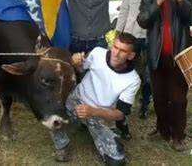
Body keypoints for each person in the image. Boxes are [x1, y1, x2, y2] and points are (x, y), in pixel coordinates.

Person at [50, 32, 140, 165]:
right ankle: (62, 145)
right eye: (115, 47)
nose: (116, 53)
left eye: (122, 51)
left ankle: (91, 126)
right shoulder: (98, 53)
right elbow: (81, 69)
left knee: (117, 162)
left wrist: (93, 112)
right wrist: (76, 62)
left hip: (101, 113)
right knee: (51, 112)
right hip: (77, 100)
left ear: (131, 56)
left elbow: (120, 114)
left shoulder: (133, 80)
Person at [137, 0, 192, 151]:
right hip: (157, 55)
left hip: (181, 55)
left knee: (179, 98)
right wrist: (158, 3)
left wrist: (180, 0)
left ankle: (178, 136)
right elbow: (143, 21)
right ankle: (162, 131)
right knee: (159, 97)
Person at [116, 0, 159, 120]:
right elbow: (124, 12)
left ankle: (144, 104)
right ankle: (124, 102)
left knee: (149, 74)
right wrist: (118, 33)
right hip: (131, 36)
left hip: (149, 37)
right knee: (126, 69)